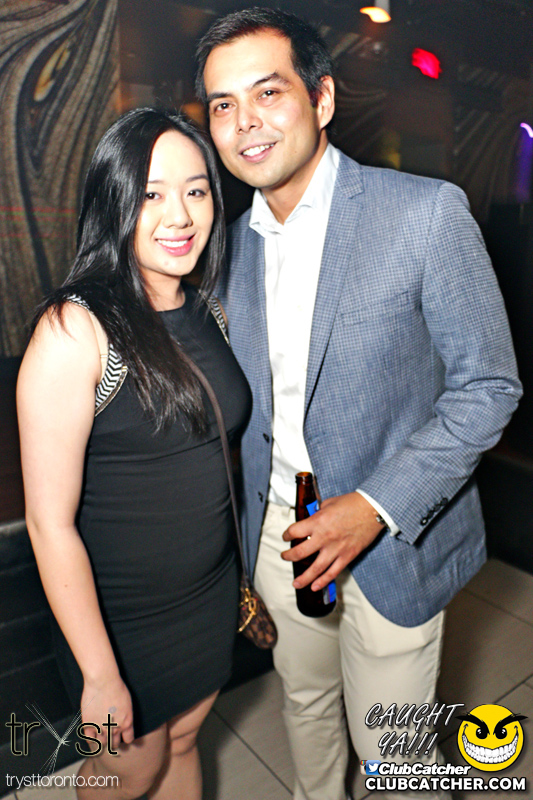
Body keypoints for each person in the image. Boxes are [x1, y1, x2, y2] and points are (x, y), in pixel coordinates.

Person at [195, 9, 522, 800]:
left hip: (391, 537)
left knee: (395, 752)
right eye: (222, 104)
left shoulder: (424, 213)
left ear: (322, 98)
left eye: (267, 92)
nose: (245, 122)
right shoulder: (224, 248)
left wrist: (375, 506)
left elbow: (488, 386)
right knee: (304, 701)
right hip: (277, 535)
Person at [17, 107, 251, 800]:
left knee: (184, 740)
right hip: (120, 619)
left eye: (196, 190)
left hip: (207, 593)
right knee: (128, 767)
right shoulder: (77, 329)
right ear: (114, 201)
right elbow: (48, 523)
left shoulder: (208, 311)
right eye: (151, 193)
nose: (179, 214)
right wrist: (98, 672)